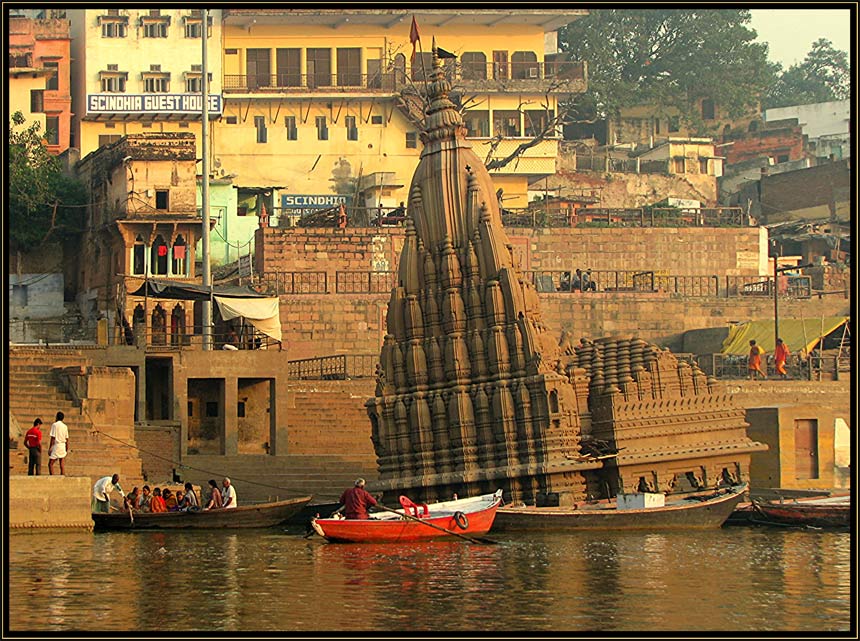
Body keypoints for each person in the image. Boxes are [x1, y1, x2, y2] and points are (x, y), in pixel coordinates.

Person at [48, 411, 69, 475]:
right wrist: (67, 447)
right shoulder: (65, 426)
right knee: (62, 464)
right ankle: (63, 477)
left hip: (57, 445)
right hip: (63, 445)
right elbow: (67, 439)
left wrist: (50, 448)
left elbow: (53, 438)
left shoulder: (54, 425)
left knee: (50, 464)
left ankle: (52, 477)